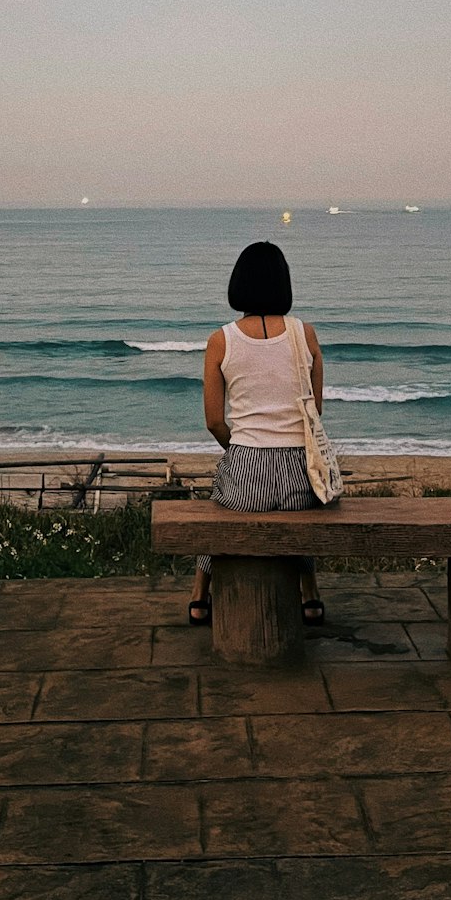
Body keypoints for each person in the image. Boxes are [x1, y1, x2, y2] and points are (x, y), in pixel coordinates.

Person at [188, 240, 325, 626]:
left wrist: (239, 448)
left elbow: (214, 420)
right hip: (301, 472)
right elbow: (315, 412)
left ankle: (200, 592)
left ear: (239, 284)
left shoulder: (221, 340)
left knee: (219, 498)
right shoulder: (306, 335)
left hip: (248, 470)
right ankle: (310, 591)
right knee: (300, 517)